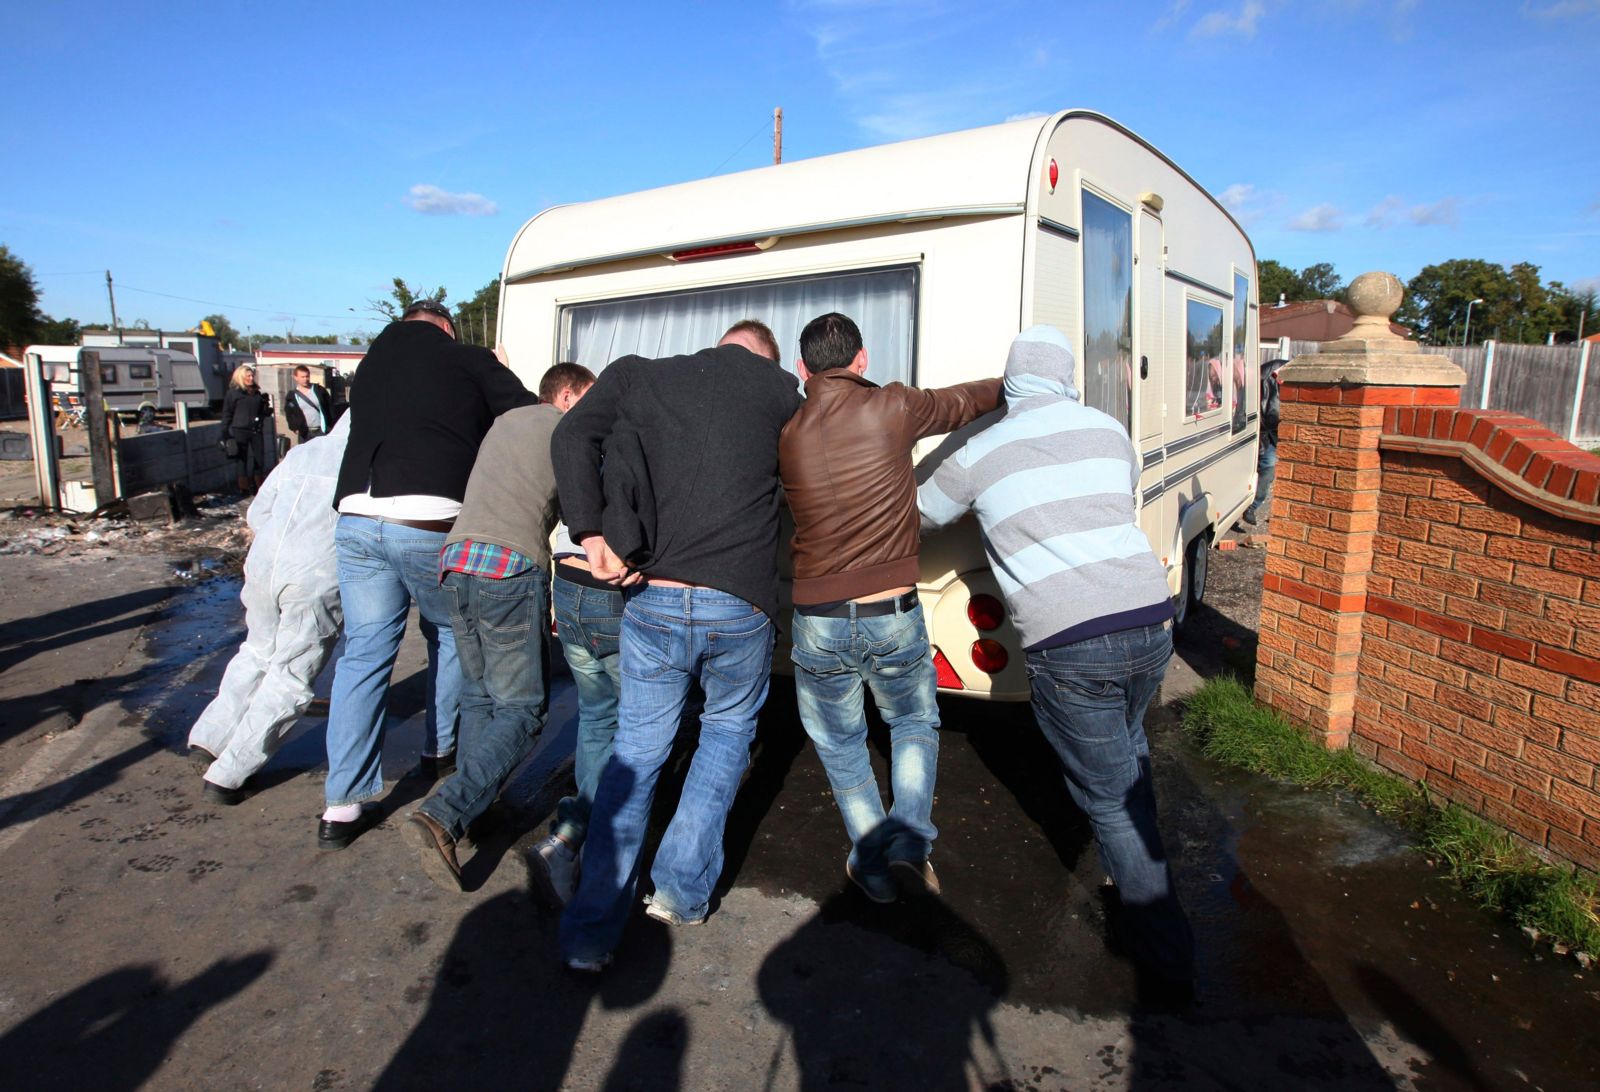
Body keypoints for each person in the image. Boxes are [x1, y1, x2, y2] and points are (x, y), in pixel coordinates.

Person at [918, 325, 1195, 997]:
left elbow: (918, 513)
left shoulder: (983, 452)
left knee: (1107, 799)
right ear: (1068, 376)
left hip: (1074, 642)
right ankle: (1137, 869)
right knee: (1127, 752)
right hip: (1151, 623)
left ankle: (1167, 959)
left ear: (1011, 382)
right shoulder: (1108, 430)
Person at [552, 319, 801, 972]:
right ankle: (680, 894)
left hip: (654, 596)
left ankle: (588, 936)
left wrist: (589, 533)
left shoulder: (641, 374)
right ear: (768, 360)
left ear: (719, 345)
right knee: (723, 734)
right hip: (741, 603)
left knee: (637, 752)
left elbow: (572, 431)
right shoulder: (780, 391)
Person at [777, 312, 1000, 903]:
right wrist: (1016, 383)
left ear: (802, 369)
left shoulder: (789, 432)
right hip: (891, 611)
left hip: (817, 619)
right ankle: (906, 848)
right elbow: (964, 402)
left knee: (841, 743)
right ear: (862, 360)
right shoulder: (893, 407)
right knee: (912, 723)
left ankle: (873, 864)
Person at [318, 298, 535, 851]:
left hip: (357, 520)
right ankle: (440, 753)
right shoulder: (465, 358)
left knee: (364, 654)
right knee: (451, 636)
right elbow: (528, 414)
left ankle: (341, 805)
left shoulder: (370, 363)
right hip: (427, 520)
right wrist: (497, 366)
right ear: (445, 327)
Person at [404, 362, 592, 891]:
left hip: (456, 561)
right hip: (508, 567)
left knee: (481, 696)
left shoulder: (506, 422)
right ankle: (444, 812)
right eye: (591, 399)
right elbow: (582, 514)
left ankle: (470, 811)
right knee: (524, 710)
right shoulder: (566, 429)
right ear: (569, 395)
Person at [188, 413, 352, 803]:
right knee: (291, 675)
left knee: (256, 650)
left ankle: (210, 736)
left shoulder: (304, 452)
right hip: (314, 576)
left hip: (265, 565)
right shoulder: (370, 463)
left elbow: (257, 513)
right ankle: (231, 772)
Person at [523, 364, 625, 908]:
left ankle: (569, 835)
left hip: (568, 589)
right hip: (607, 591)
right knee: (638, 727)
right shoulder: (609, 442)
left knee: (597, 715)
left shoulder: (560, 444)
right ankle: (588, 849)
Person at [1242, 358, 1287, 527]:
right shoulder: (1265, 374)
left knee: (1268, 469)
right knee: (1260, 467)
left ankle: (1251, 506)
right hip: (1259, 429)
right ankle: (1246, 504)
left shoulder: (1284, 378)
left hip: (1272, 433)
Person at [221, 364, 271, 495]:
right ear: (240, 377)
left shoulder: (256, 393)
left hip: (256, 430)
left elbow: (262, 412)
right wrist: (224, 432)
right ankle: (244, 487)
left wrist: (265, 408)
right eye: (248, 376)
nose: (251, 378)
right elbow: (227, 413)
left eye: (252, 375)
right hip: (240, 430)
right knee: (242, 459)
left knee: (259, 458)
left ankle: (258, 485)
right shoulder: (234, 393)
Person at [283, 365, 333, 444]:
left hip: (321, 431)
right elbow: (289, 412)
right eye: (302, 377)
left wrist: (331, 424)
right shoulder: (292, 396)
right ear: (295, 377)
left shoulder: (319, 390)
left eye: (307, 376)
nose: (305, 379)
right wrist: (293, 426)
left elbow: (330, 407)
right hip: (305, 433)